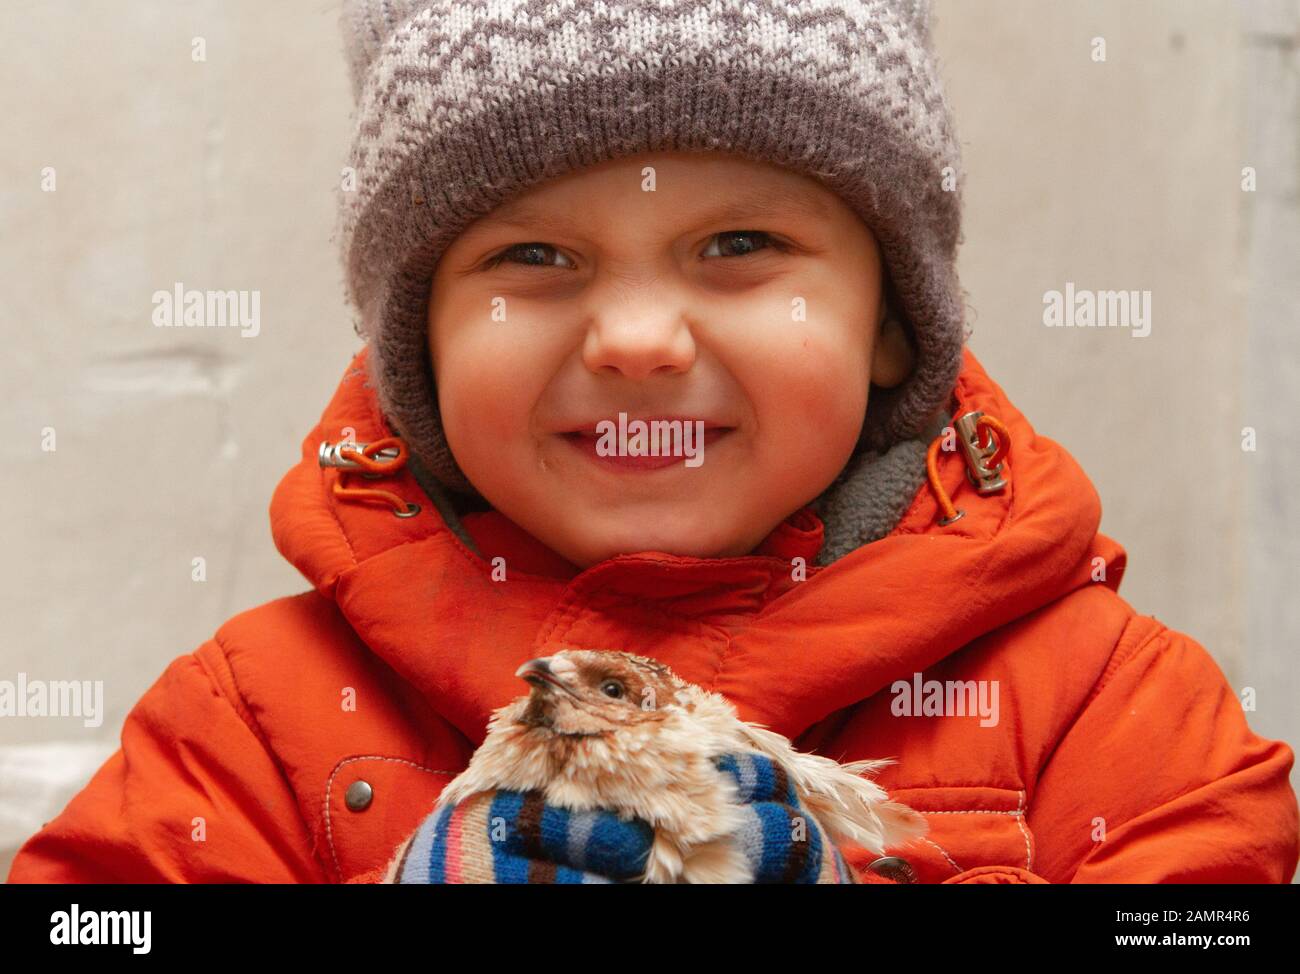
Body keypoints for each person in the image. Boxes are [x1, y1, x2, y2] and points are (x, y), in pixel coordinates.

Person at [8, 0, 1297, 884]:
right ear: (424, 354)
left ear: (891, 324)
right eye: (535, 256)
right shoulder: (253, 728)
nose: (635, 337)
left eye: (739, 247)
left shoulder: (1110, 715)